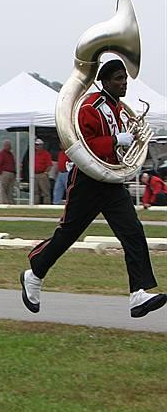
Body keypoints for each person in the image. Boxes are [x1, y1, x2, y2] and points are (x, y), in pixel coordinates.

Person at [21, 59, 166, 319]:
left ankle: (138, 292)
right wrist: (115, 140)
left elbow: (117, 146)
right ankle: (34, 274)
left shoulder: (120, 109)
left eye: (125, 79)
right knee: (68, 233)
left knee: (133, 232)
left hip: (111, 181)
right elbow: (83, 144)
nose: (124, 83)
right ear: (105, 81)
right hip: (87, 180)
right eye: (119, 79)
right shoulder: (90, 106)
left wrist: (132, 140)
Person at [0, 139, 16, 204]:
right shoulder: (1, 154)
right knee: (3, 189)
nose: (9, 147)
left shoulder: (11, 154)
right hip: (5, 173)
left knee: (10, 189)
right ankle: (4, 202)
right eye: (7, 145)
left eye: (9, 145)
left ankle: (10, 202)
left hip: (11, 173)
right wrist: (0, 173)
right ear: (4, 146)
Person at [32, 138, 52, 204]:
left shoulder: (46, 154)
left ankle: (47, 205)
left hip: (42, 175)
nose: (36, 146)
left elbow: (49, 165)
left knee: (45, 192)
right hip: (35, 174)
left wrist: (45, 173)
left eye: (38, 145)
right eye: (36, 145)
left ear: (41, 145)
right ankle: (35, 205)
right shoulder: (34, 154)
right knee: (35, 192)